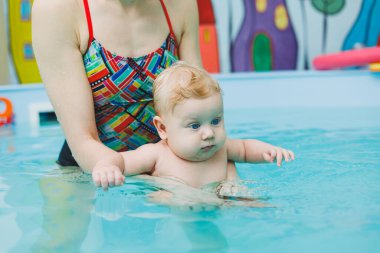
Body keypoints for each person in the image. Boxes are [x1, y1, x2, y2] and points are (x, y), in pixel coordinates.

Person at [32, 0, 202, 187]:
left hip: (170, 168)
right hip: (91, 175)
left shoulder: (179, 4)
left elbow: (202, 110)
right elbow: (83, 142)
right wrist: (172, 185)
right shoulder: (58, 8)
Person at [93, 62, 295, 190]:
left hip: (223, 203)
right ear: (163, 129)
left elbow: (244, 148)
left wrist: (269, 151)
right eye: (195, 126)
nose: (208, 133)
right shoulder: (156, 155)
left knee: (254, 203)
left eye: (216, 121)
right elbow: (121, 160)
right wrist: (107, 167)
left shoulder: (221, 149)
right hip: (178, 217)